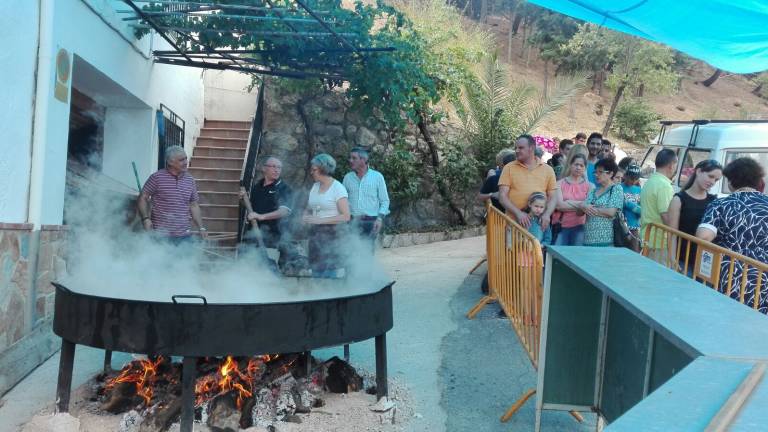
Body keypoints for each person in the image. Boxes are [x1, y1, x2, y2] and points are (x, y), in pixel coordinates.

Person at [697, 158, 768, 312]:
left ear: (730, 182)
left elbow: (703, 237)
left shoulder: (722, 205)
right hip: (764, 277)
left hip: (731, 276)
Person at [137, 145, 207, 245]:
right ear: (170, 162)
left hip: (184, 236)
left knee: (185, 261)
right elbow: (143, 197)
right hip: (161, 236)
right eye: (181, 160)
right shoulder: (157, 178)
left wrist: (201, 227)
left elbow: (194, 205)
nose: (186, 162)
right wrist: (145, 219)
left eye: (186, 159)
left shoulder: (190, 180)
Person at [666, 160, 722, 273]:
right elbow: (672, 233)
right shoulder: (679, 199)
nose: (712, 182)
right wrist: (673, 259)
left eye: (716, 180)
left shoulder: (714, 201)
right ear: (699, 171)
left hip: (706, 263)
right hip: (684, 261)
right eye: (710, 176)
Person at [238, 156, 295, 269]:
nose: (277, 170)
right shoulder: (257, 187)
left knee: (268, 273)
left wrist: (261, 217)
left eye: (279, 167)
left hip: (273, 240)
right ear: (264, 168)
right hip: (253, 237)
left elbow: (284, 211)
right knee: (248, 271)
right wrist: (242, 200)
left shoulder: (284, 188)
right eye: (273, 166)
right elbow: (252, 210)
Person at [303, 154, 351, 277]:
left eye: (314, 170)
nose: (311, 172)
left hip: (332, 236)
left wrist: (320, 220)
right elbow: (309, 207)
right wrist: (305, 216)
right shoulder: (315, 186)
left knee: (329, 274)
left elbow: (346, 216)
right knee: (316, 272)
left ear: (323, 169)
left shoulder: (338, 188)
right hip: (315, 235)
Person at [498, 135, 558, 230]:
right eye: (516, 148)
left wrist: (547, 215)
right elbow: (502, 196)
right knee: (512, 246)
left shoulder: (548, 170)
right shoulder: (508, 168)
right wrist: (518, 213)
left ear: (532, 148)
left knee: (537, 245)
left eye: (521, 148)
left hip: (538, 225)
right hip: (513, 224)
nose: (517, 150)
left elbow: (553, 197)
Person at [342, 147, 390, 250]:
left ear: (363, 160)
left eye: (354, 158)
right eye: (350, 158)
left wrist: (379, 219)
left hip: (371, 222)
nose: (350, 160)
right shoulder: (347, 178)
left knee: (367, 253)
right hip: (352, 222)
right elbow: (342, 201)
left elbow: (385, 201)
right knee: (350, 255)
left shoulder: (377, 177)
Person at [640, 149, 678, 250]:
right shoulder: (664, 186)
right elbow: (665, 216)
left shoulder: (650, 181)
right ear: (671, 165)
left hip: (647, 238)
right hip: (659, 243)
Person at [581, 158, 624, 247]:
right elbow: (580, 211)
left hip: (606, 240)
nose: (596, 175)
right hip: (588, 239)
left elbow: (611, 212)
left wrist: (589, 208)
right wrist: (582, 206)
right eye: (595, 172)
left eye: (600, 172)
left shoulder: (616, 189)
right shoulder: (593, 191)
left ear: (611, 174)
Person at [554, 153, 592, 246]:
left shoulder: (590, 186)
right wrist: (582, 204)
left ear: (585, 168)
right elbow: (559, 206)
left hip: (580, 227)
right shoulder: (559, 183)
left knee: (576, 255)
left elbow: (589, 206)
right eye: (576, 164)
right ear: (570, 165)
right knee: (558, 256)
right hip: (561, 226)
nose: (578, 167)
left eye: (581, 165)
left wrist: (568, 202)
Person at [621, 164, 642, 240]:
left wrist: (628, 204)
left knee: (634, 250)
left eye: (636, 179)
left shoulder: (639, 189)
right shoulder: (619, 188)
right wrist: (636, 208)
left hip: (635, 226)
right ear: (625, 176)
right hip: (622, 225)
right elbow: (620, 203)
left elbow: (642, 209)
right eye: (631, 178)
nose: (633, 181)